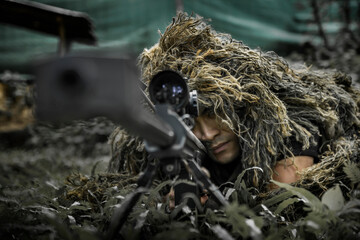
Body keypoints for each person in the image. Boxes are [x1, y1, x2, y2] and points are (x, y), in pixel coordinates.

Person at [107, 13, 360, 199]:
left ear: (240, 105)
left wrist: (215, 203)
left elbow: (283, 197)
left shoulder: (286, 127)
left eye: (214, 114)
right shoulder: (182, 145)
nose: (207, 135)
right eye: (190, 121)